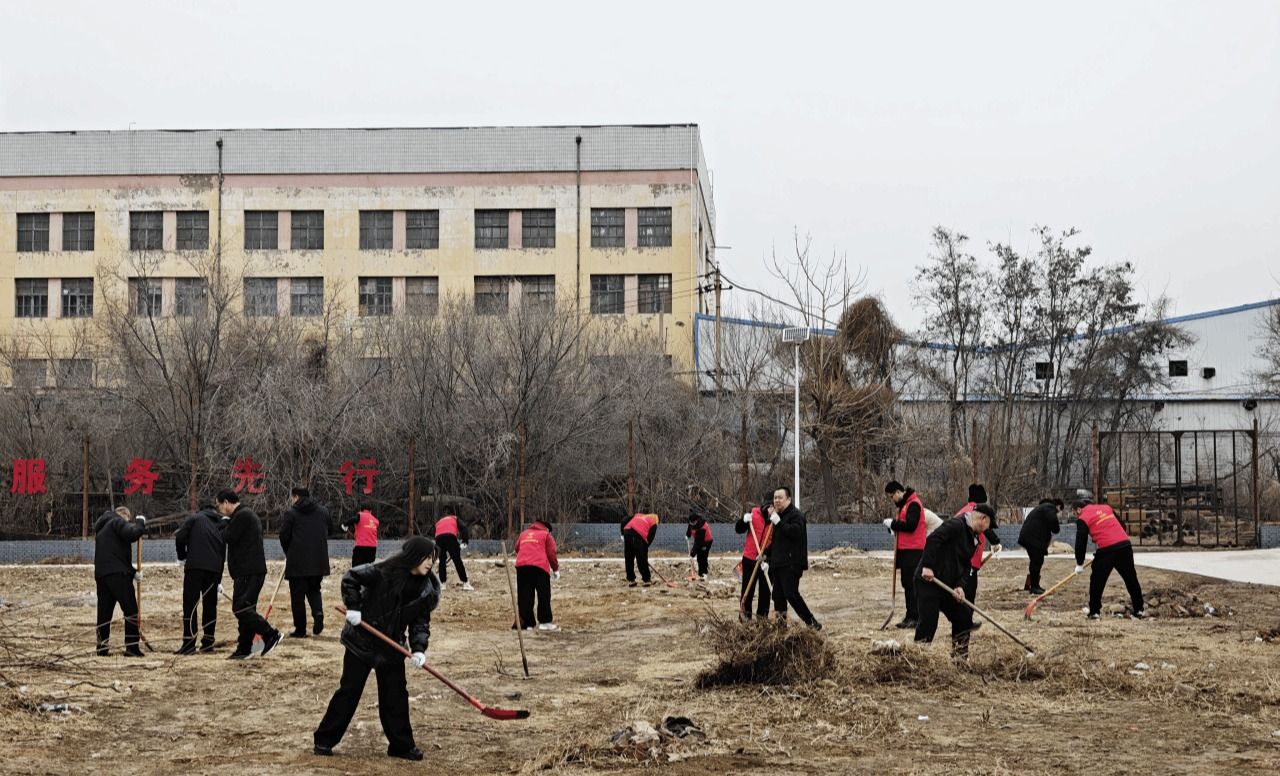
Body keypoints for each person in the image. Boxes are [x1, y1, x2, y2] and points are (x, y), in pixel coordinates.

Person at [313, 536, 441, 761]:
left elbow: (420, 623)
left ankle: (401, 746)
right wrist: (354, 607)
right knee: (349, 691)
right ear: (413, 556)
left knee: (395, 696)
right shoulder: (384, 570)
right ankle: (324, 739)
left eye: (433, 558)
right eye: (426, 557)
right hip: (362, 640)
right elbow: (351, 577)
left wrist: (419, 648)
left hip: (391, 646)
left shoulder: (426, 590)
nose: (431, 562)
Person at [914, 504, 993, 658]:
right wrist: (927, 566)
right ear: (983, 519)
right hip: (929, 580)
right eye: (988, 525)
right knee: (929, 622)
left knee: (963, 616)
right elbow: (933, 540)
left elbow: (966, 565)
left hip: (947, 585)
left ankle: (960, 658)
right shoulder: (956, 525)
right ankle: (917, 659)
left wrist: (960, 586)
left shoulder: (973, 539)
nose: (987, 529)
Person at [219, 489, 282, 660]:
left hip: (248, 571)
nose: (220, 510)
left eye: (220, 506)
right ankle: (244, 648)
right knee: (247, 609)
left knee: (240, 608)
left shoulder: (242, 516)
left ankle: (270, 634)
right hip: (250, 571)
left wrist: (224, 524)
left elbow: (227, 537)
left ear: (226, 502)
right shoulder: (245, 515)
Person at [1073, 499, 1145, 619]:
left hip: (1107, 549)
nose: (1076, 516)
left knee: (1097, 581)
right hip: (1124, 545)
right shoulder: (1106, 508)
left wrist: (1079, 563)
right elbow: (1122, 525)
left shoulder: (1083, 517)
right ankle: (1139, 609)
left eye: (1074, 513)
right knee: (1131, 578)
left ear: (1079, 509)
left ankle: (1094, 612)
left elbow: (1081, 541)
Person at [93, 506, 147, 657]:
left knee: (104, 613)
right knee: (131, 610)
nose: (127, 523)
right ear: (124, 515)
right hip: (118, 576)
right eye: (128, 520)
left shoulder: (102, 530)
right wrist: (140, 523)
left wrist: (133, 572)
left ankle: (102, 648)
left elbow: (115, 556)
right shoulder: (116, 521)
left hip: (102, 575)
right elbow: (132, 534)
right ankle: (132, 648)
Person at [764, 486, 820, 630]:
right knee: (778, 596)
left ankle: (812, 623)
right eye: (775, 498)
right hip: (778, 563)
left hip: (791, 562)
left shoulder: (796, 515)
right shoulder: (778, 516)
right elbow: (778, 542)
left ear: (788, 499)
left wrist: (779, 523)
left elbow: (795, 533)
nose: (776, 500)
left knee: (791, 594)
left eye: (780, 497)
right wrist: (766, 555)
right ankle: (781, 627)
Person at [280, 487, 332, 638]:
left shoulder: (291, 513)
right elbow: (330, 530)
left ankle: (300, 629)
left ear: (296, 497)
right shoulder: (323, 511)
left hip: (298, 562)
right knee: (314, 590)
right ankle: (318, 612)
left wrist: (289, 552)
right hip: (318, 560)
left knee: (297, 597)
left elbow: (283, 536)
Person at [174, 504, 226, 654]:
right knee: (210, 606)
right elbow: (223, 553)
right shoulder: (221, 524)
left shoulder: (194, 518)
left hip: (195, 568)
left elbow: (180, 536)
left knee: (190, 605)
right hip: (214, 570)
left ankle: (189, 644)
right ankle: (208, 643)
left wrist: (182, 557)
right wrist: (219, 579)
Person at [883, 481, 927, 629]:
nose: (892, 500)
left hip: (913, 551)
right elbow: (903, 525)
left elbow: (911, 526)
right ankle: (910, 615)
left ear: (897, 492)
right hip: (906, 550)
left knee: (911, 585)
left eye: (892, 496)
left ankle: (915, 617)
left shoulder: (913, 504)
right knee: (907, 583)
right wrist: (893, 529)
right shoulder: (905, 505)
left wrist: (893, 524)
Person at [954, 485, 1002, 608]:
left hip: (958, 560)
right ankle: (966, 616)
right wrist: (995, 542)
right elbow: (985, 527)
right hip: (969, 560)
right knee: (968, 593)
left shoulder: (963, 510)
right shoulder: (976, 512)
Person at [514, 517, 560, 631]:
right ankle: (545, 622)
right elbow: (551, 553)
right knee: (543, 594)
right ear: (547, 528)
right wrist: (555, 569)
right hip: (540, 567)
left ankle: (527, 623)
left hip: (522, 566)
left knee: (525, 595)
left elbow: (517, 548)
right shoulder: (546, 535)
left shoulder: (524, 534)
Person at [735, 495, 773, 619]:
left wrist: (767, 557)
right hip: (749, 559)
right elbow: (738, 529)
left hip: (765, 561)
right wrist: (743, 521)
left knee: (765, 592)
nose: (773, 512)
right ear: (768, 506)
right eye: (772, 509)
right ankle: (745, 618)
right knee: (747, 590)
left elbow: (776, 543)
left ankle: (762, 619)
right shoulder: (754, 514)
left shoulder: (776, 521)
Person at [1019, 498, 1063, 594]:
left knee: (1036, 561)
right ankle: (1034, 587)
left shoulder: (1042, 508)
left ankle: (1032, 584)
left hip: (1030, 538)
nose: (1057, 513)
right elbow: (1054, 523)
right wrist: (1056, 528)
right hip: (1033, 539)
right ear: (1058, 506)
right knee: (1037, 561)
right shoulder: (1049, 507)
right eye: (1059, 511)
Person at [433, 514, 472, 591]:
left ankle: (442, 584)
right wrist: (465, 541)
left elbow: (435, 532)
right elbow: (464, 528)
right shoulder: (455, 518)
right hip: (450, 536)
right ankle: (465, 583)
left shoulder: (439, 521)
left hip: (438, 538)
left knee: (442, 561)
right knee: (457, 560)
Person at [621, 511, 659, 586]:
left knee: (629, 558)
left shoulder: (638, 515)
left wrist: (622, 533)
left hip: (627, 532)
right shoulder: (654, 523)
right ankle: (646, 579)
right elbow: (650, 537)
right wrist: (644, 550)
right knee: (641, 559)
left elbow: (624, 520)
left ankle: (631, 579)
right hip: (638, 535)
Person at [685, 511, 714, 580]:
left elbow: (698, 543)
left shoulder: (702, 527)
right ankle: (700, 574)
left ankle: (704, 573)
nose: (691, 524)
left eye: (692, 523)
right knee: (699, 557)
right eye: (690, 522)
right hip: (700, 540)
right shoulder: (692, 523)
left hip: (706, 541)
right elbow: (690, 528)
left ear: (696, 521)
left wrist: (692, 554)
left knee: (703, 556)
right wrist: (688, 535)